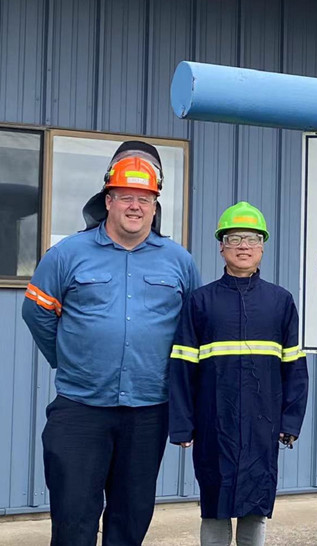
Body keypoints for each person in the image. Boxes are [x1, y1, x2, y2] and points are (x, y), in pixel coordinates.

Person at [21, 141, 202, 546]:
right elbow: (36, 313)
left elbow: (192, 329)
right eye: (125, 197)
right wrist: (69, 359)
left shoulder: (179, 261)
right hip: (81, 409)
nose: (135, 206)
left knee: (130, 519)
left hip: (148, 411)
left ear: (155, 205)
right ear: (108, 201)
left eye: (144, 198)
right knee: (73, 518)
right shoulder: (67, 254)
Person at [168, 201, 309, 546]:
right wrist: (182, 424)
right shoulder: (200, 302)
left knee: (255, 505)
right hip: (213, 422)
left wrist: (291, 421)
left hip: (263, 424)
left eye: (251, 238)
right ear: (221, 246)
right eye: (234, 238)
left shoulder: (280, 302)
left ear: (262, 246)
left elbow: (294, 366)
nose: (243, 246)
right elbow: (182, 367)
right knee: (214, 504)